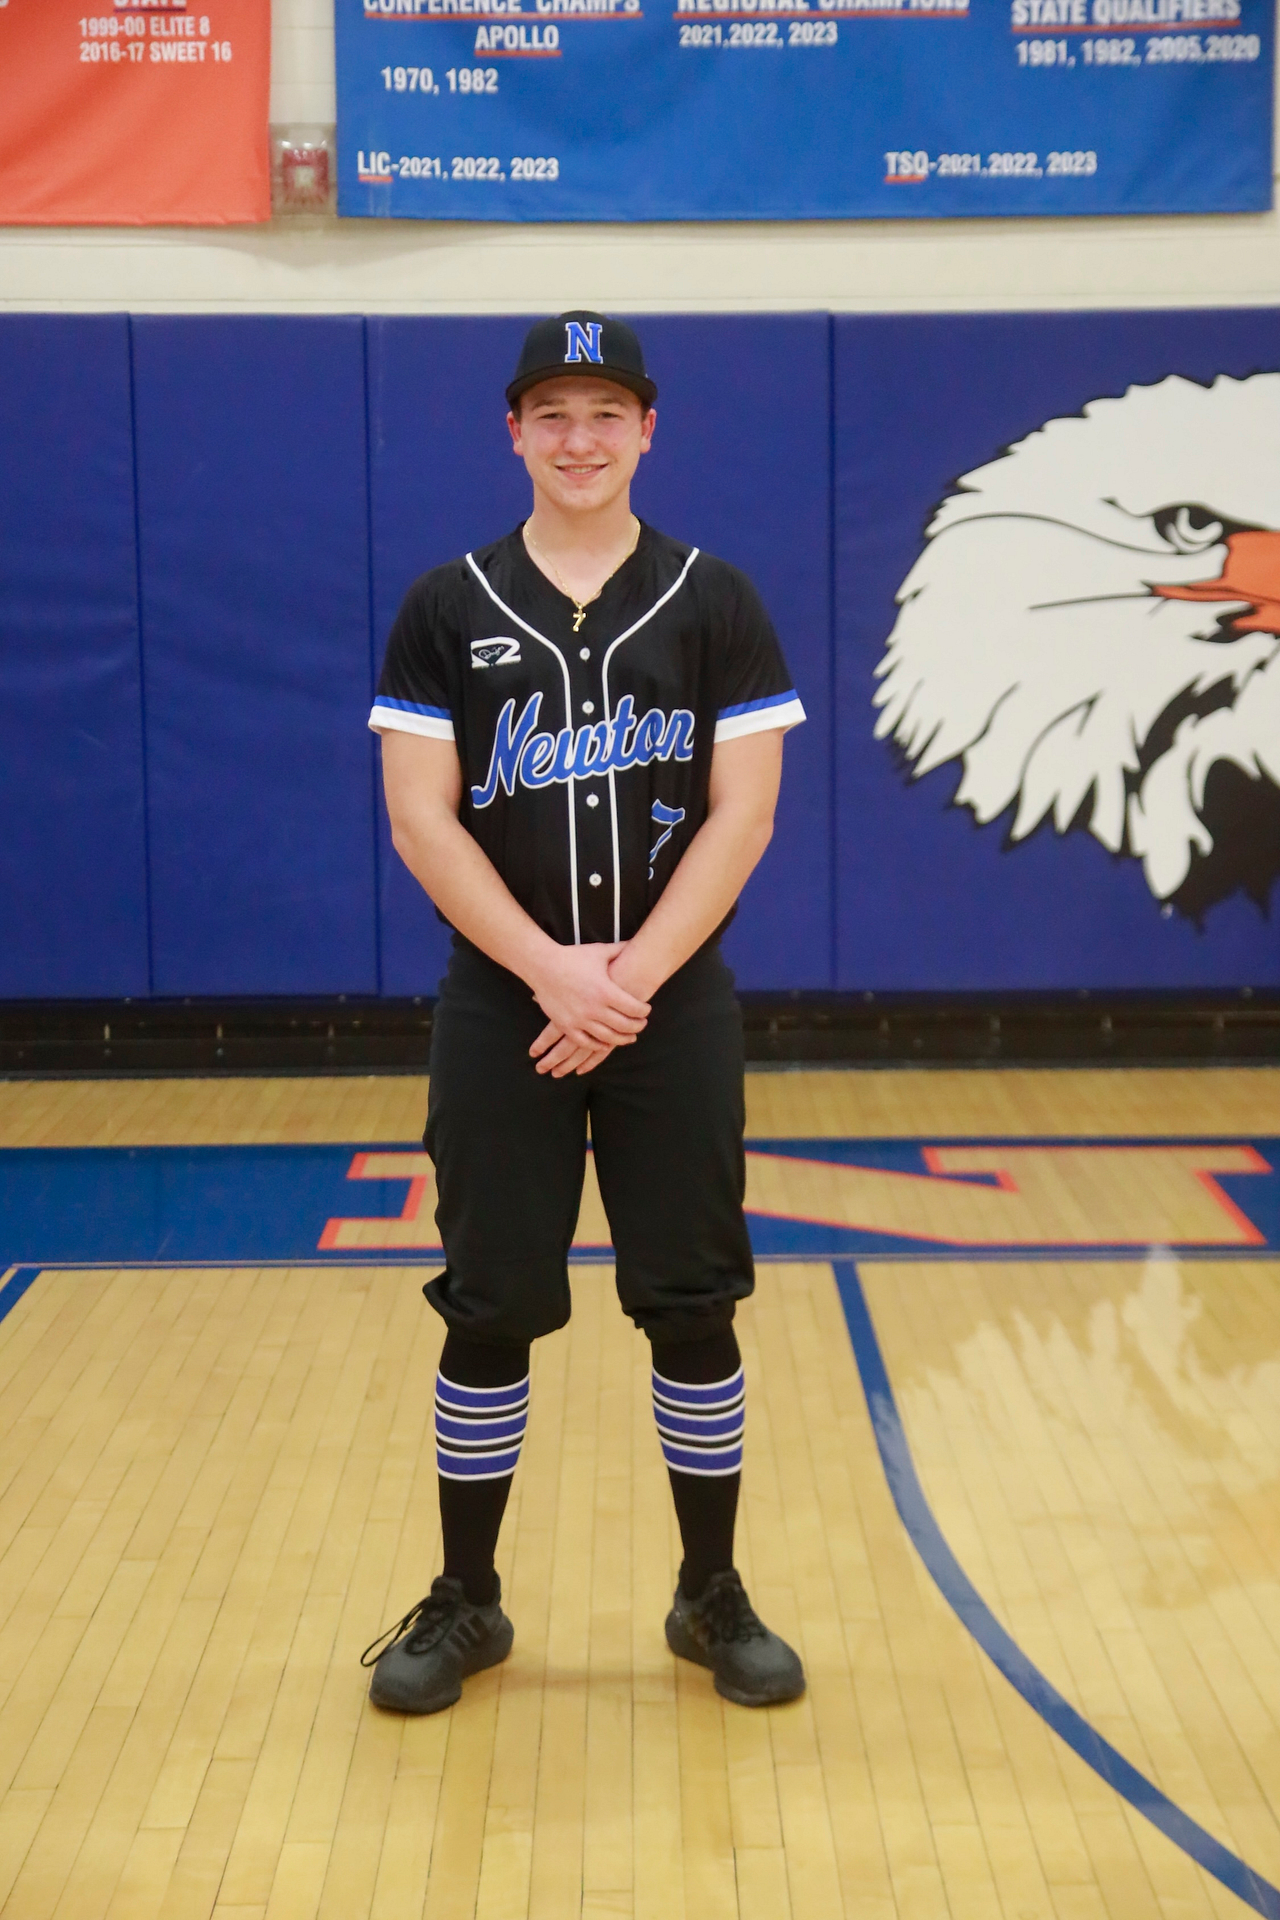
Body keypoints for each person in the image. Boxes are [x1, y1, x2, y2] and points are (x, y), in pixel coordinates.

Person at [361, 310, 807, 1713]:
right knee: (489, 1303)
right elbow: (422, 820)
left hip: (671, 1008)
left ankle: (710, 1591)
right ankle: (468, 1598)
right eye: (552, 414)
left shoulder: (715, 599)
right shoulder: (446, 606)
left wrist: (627, 983)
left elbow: (744, 815)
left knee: (694, 1302)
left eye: (605, 414)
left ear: (648, 431)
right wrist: (554, 974)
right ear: (514, 433)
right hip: (505, 1008)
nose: (579, 439)